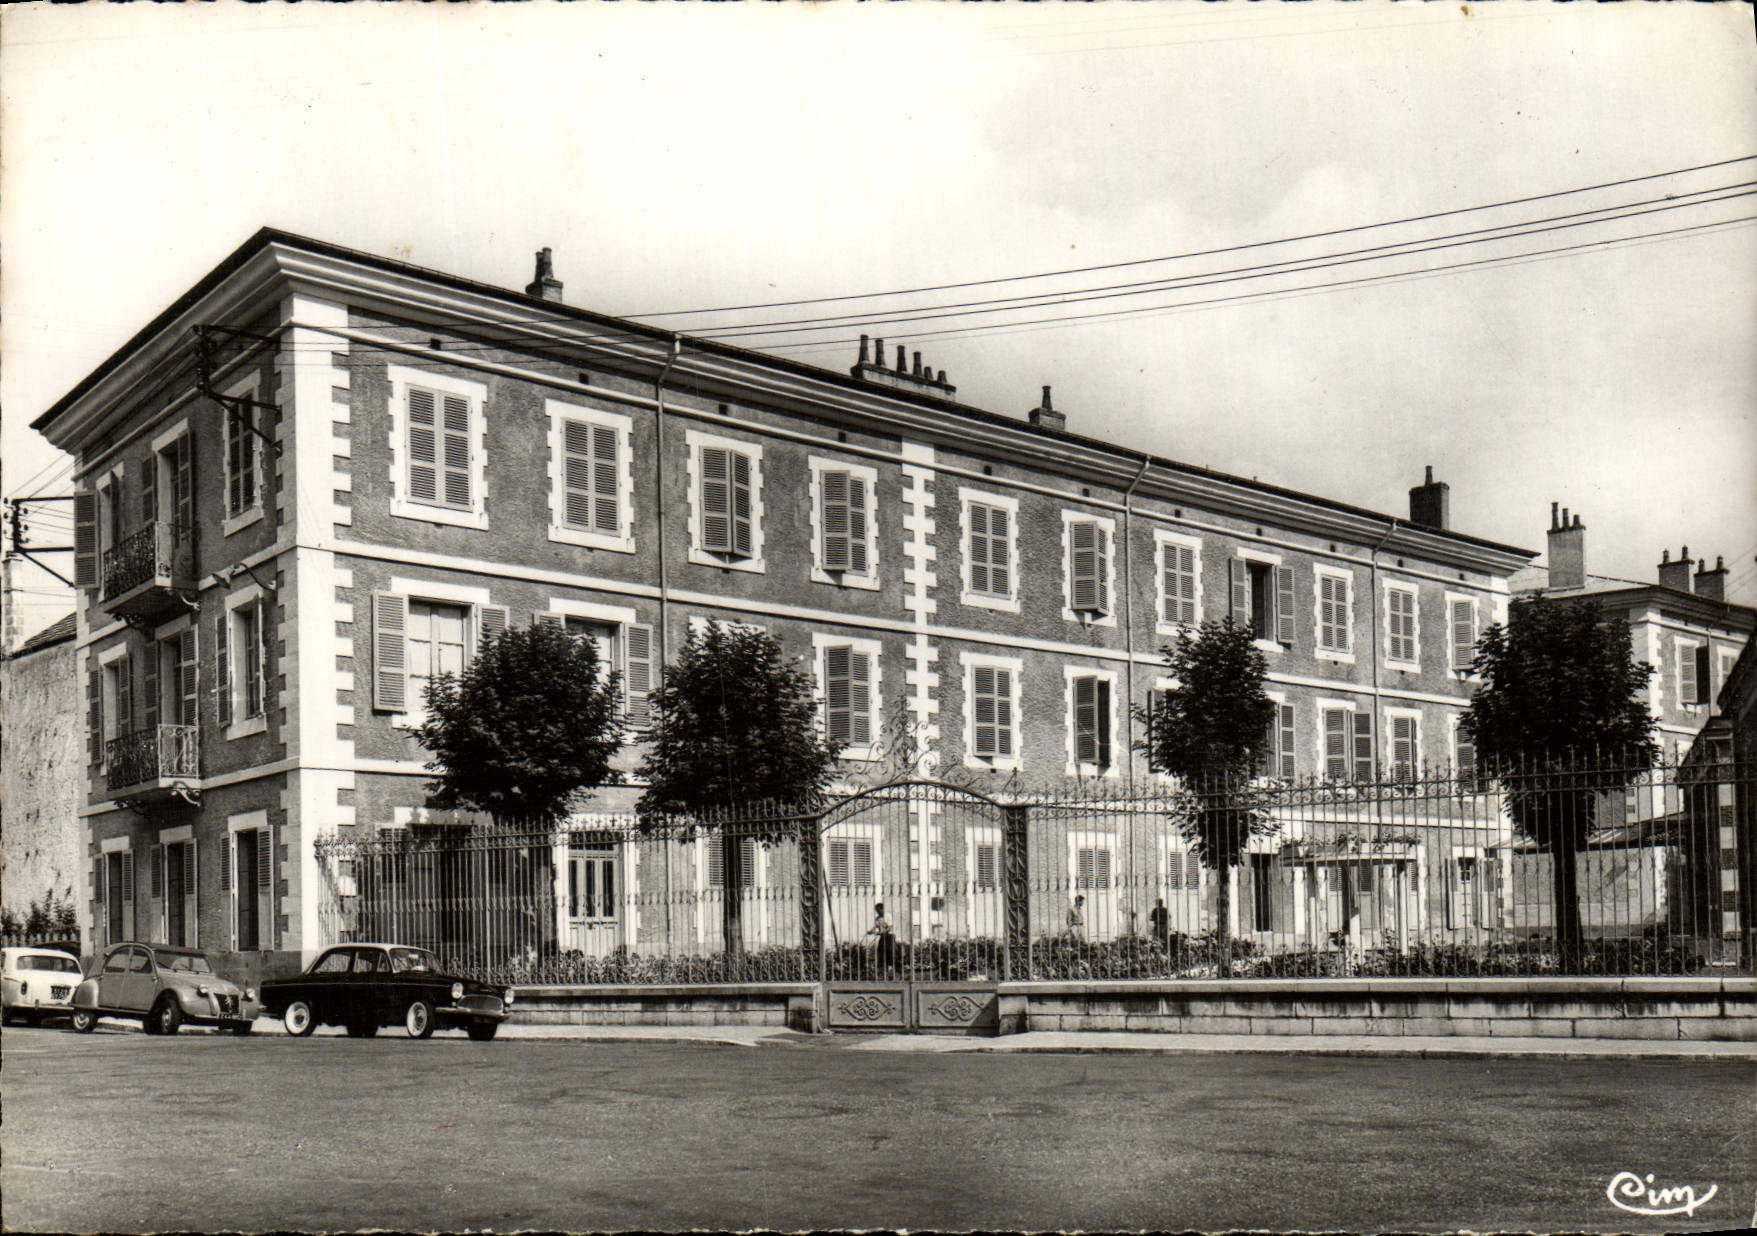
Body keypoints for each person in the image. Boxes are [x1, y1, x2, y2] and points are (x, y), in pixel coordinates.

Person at [868, 902, 897, 975]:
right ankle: (882, 967)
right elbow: (875, 927)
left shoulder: (888, 916)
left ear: (882, 909)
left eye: (878, 910)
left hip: (889, 935)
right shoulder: (878, 918)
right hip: (882, 936)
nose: (877, 912)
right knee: (880, 950)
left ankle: (890, 967)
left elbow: (890, 927)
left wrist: (883, 932)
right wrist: (871, 931)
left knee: (889, 950)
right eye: (876, 911)